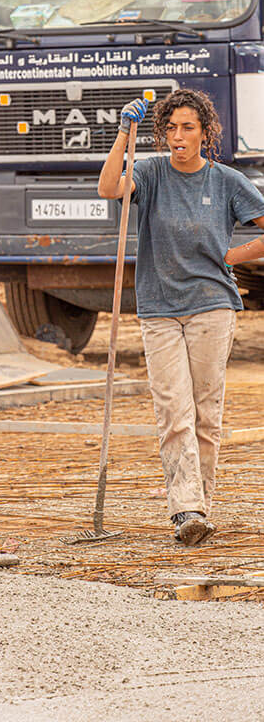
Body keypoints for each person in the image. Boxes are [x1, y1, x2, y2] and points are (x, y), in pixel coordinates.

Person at [98, 89, 264, 545]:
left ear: (206, 132)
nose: (178, 136)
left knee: (206, 413)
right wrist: (123, 134)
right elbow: (110, 188)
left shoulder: (226, 181)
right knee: (174, 409)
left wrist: (235, 254)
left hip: (213, 305)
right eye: (170, 128)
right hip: (158, 307)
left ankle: (199, 505)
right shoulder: (149, 172)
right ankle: (186, 507)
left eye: (188, 127)